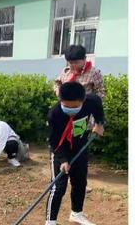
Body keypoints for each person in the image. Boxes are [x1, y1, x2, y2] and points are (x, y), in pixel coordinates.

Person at [45, 81, 104, 225]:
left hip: (80, 147)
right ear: (60, 100)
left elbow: (98, 108)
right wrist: (63, 160)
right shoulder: (55, 113)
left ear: (83, 100)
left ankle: (76, 213)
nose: (70, 109)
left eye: (75, 106)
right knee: (58, 186)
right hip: (60, 150)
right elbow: (53, 141)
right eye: (66, 105)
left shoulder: (91, 101)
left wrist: (99, 123)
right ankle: (50, 221)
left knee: (80, 182)